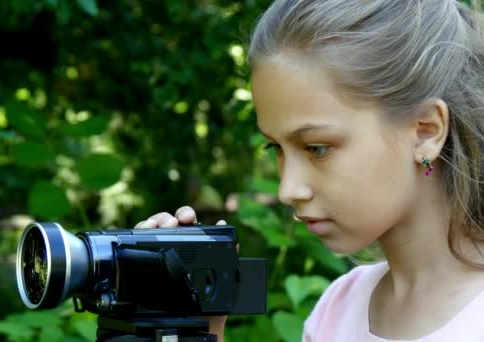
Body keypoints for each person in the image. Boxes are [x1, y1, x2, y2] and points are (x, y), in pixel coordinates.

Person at [136, 0, 484, 341]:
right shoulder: (339, 307)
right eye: (276, 148)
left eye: (317, 147)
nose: (288, 190)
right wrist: (199, 329)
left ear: (426, 131)